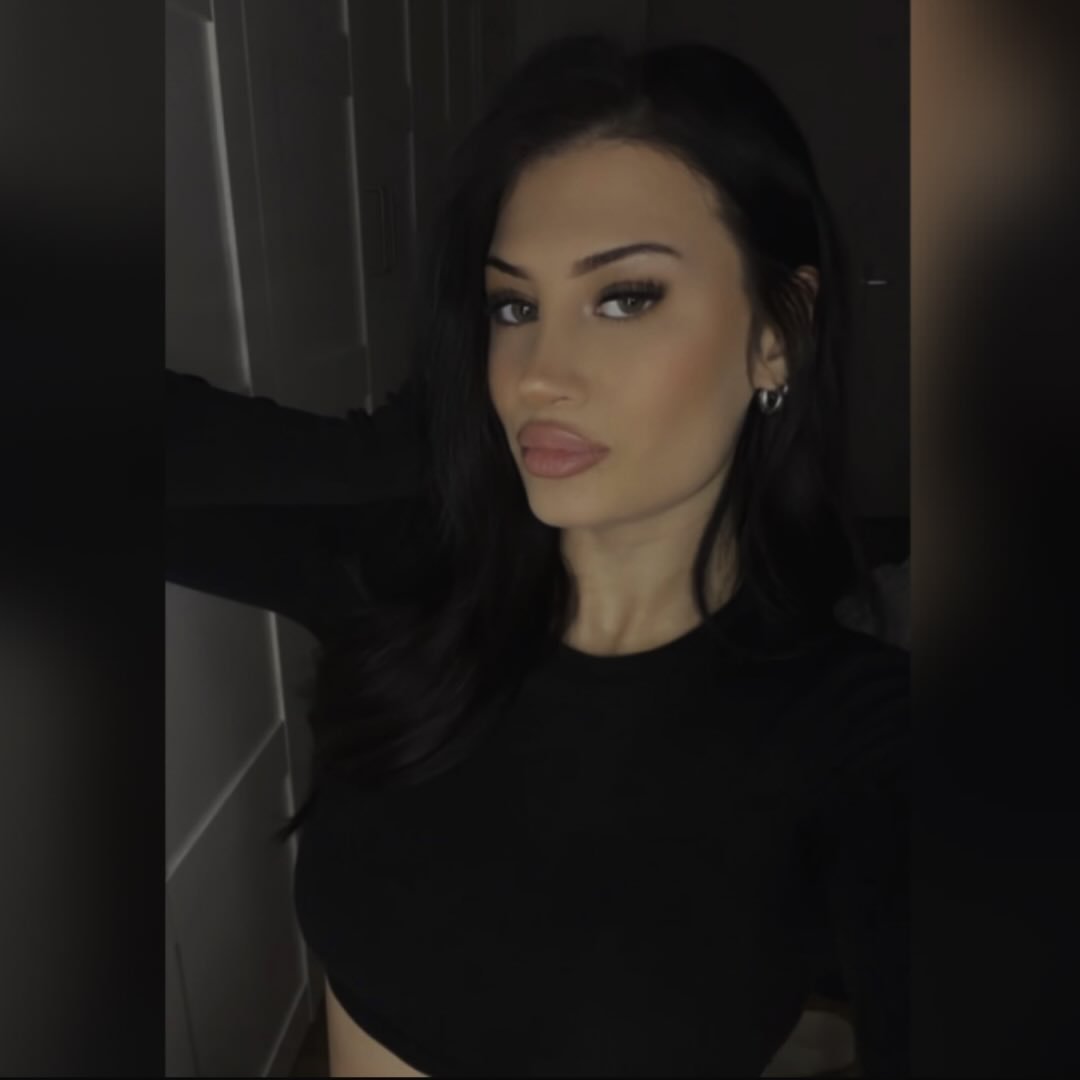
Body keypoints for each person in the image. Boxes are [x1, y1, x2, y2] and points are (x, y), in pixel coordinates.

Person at [167, 34, 908, 1078]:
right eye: (513, 307)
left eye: (625, 297)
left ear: (777, 330)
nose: (536, 375)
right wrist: (380, 448)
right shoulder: (406, 579)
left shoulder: (860, 735)